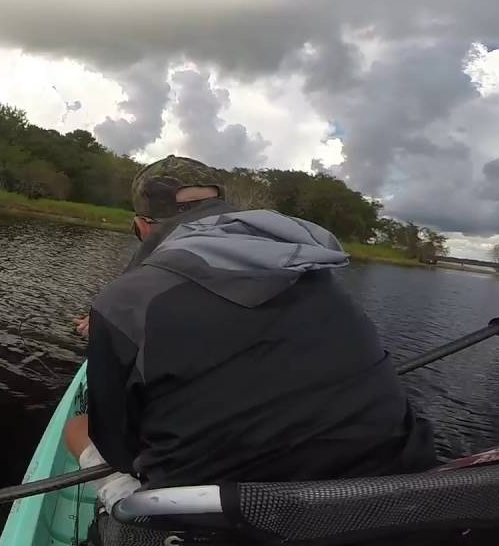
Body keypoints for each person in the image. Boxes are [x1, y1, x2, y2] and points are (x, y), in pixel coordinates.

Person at [64, 155, 436, 520]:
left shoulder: (122, 302)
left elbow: (120, 451)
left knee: (77, 428)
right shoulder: (317, 277)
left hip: (230, 524)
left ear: (143, 226)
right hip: (389, 505)